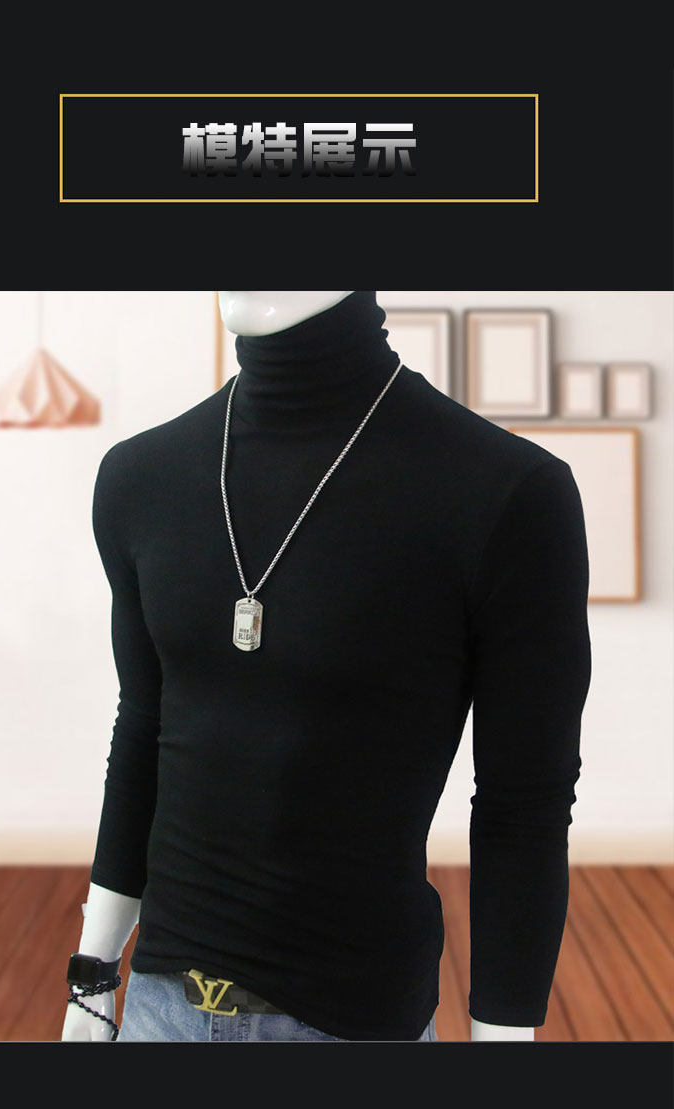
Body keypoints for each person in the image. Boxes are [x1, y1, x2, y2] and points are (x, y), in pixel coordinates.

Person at [61, 290, 591, 1043]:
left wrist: (504, 1040)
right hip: (158, 1010)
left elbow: (523, 803)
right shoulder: (138, 478)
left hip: (354, 1021)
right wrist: (93, 970)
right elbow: (144, 729)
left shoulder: (506, 492)